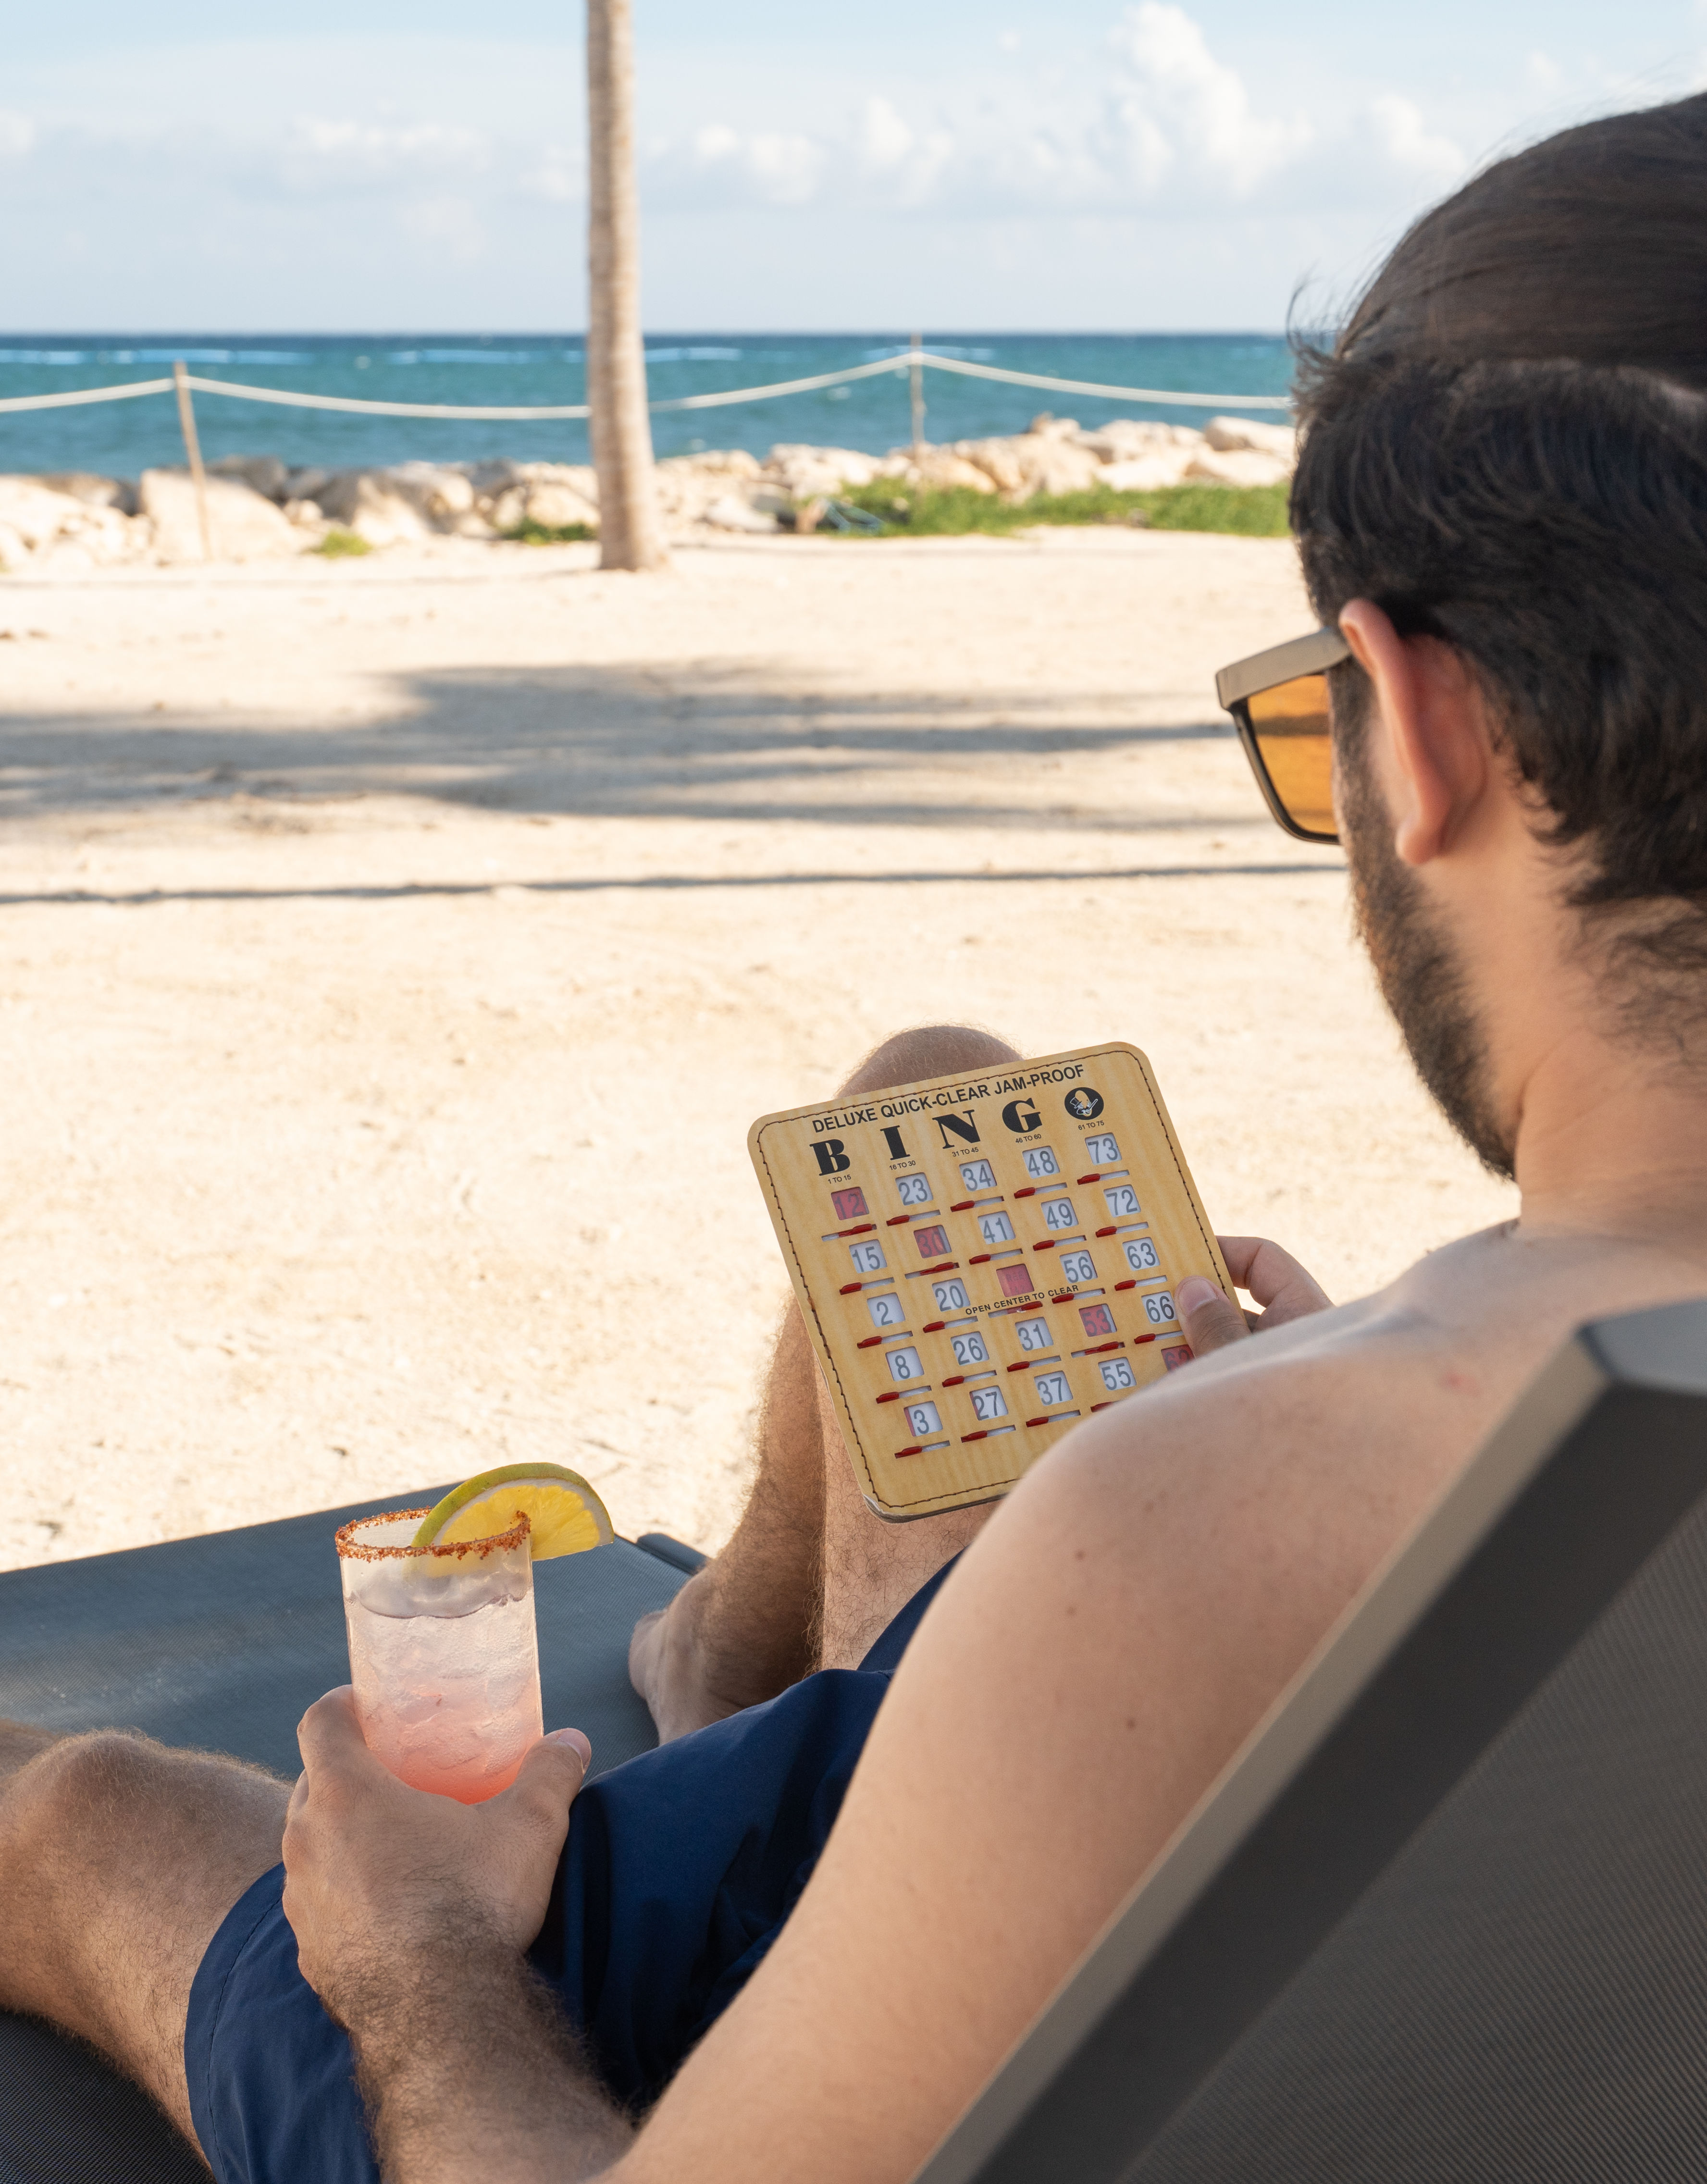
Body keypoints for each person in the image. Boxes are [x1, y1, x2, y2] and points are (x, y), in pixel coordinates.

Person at [6, 87, 1707, 2184]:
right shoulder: (1431, 1468)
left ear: (1431, 729)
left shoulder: (1210, 1525)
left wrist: (421, 1964)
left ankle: (680, 1749)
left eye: (1316, 735)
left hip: (612, 2079)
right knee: (934, 1097)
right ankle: (728, 1672)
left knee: (89, 1817)